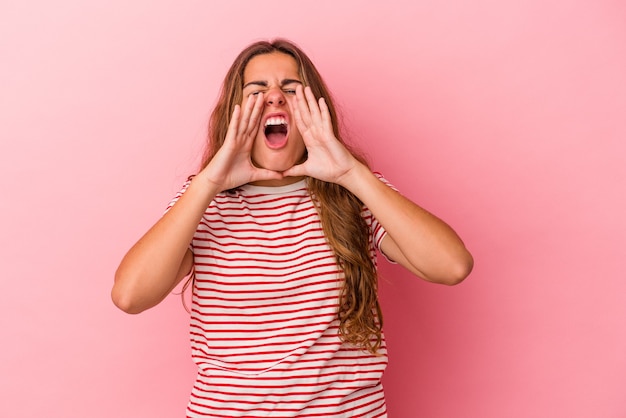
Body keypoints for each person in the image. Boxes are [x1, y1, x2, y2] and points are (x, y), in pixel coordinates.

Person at [112, 38, 473, 418]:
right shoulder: (203, 202)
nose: (274, 97)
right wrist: (207, 183)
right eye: (257, 90)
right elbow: (130, 295)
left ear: (314, 111)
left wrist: (352, 173)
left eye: (290, 88)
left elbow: (451, 266)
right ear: (235, 113)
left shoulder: (356, 193)